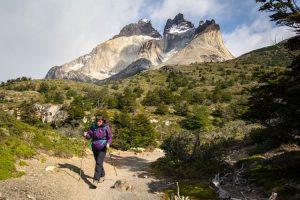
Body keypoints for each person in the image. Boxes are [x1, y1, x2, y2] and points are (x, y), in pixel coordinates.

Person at [83, 115, 112, 188]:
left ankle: (95, 180)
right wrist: (86, 135)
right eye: (97, 121)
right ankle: (102, 175)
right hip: (94, 146)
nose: (98, 122)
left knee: (98, 163)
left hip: (103, 147)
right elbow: (90, 135)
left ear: (102, 121)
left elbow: (110, 137)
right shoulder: (94, 126)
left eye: (100, 121)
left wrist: (108, 143)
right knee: (98, 162)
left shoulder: (106, 127)